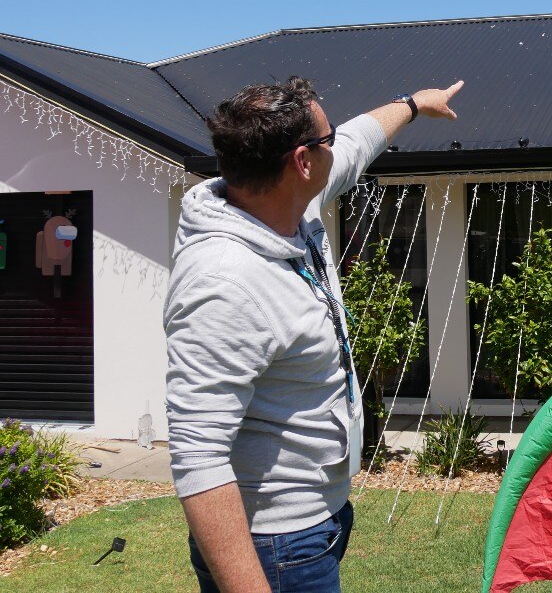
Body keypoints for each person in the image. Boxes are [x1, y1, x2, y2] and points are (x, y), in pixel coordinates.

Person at [164, 77, 463, 592]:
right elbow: (198, 457)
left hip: (317, 520)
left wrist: (413, 106)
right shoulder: (223, 283)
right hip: (275, 544)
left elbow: (356, 141)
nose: (336, 144)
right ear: (302, 161)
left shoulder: (286, 204)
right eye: (326, 139)